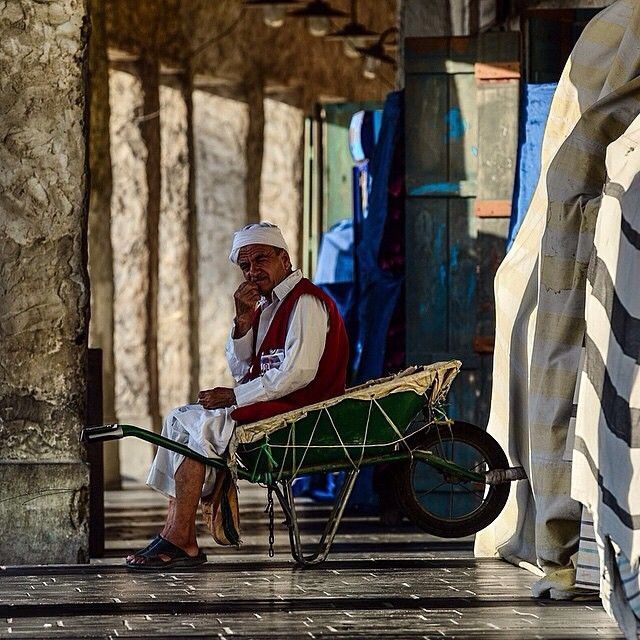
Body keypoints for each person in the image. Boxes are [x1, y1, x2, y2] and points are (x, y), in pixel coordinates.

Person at [126, 222, 349, 569]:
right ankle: (176, 530)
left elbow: (298, 373)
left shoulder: (305, 301)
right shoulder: (266, 306)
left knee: (203, 427)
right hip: (273, 402)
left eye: (261, 259)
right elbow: (245, 369)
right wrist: (243, 323)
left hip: (301, 410)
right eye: (245, 265)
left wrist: (235, 397)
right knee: (177, 419)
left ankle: (179, 537)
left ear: (284, 259)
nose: (252, 271)